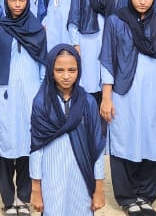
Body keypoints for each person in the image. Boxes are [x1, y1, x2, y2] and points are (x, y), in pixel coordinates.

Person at [100, 0, 156, 215]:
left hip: (155, 93)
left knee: (152, 138)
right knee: (125, 139)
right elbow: (107, 60)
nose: (143, 1)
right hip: (124, 93)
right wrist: (106, 97)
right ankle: (127, 197)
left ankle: (146, 195)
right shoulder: (115, 22)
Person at [0, 0, 46, 215]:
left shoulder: (37, 29)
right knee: (6, 147)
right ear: (5, 0)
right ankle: (9, 200)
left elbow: (43, 67)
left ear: (28, 0)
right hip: (5, 97)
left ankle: (23, 198)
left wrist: (41, 98)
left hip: (31, 97)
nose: (17, 4)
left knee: (28, 146)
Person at [28, 45, 106, 215]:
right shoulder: (42, 103)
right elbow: (36, 148)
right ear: (51, 71)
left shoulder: (88, 102)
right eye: (59, 70)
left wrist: (99, 188)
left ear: (79, 70)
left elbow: (97, 147)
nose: (65, 76)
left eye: (72, 70)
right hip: (51, 180)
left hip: (82, 179)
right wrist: (36, 189)